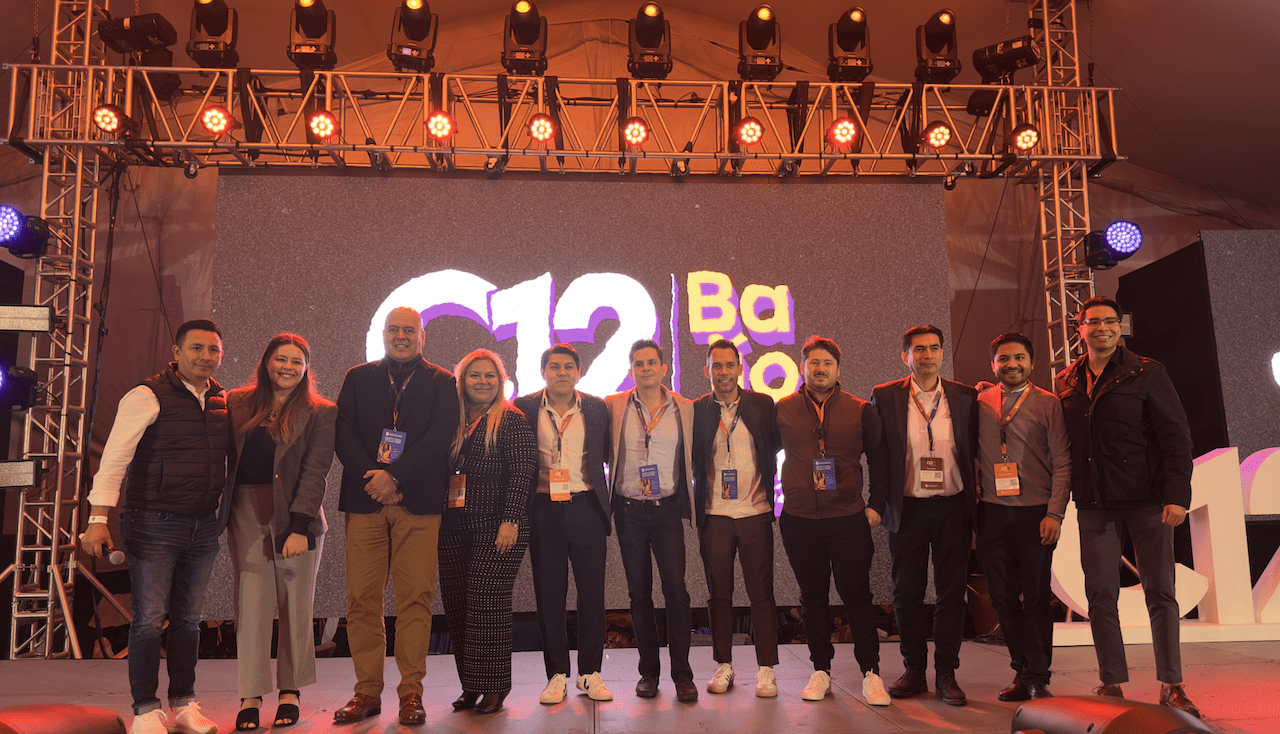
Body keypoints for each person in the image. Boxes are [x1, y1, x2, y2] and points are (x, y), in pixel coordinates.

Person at [80, 319, 230, 734]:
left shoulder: (221, 400)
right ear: (177, 352)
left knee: (188, 620)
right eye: (196, 348)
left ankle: (183, 706)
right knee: (148, 620)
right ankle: (145, 711)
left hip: (203, 525)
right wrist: (97, 520)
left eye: (213, 350)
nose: (205, 357)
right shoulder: (146, 395)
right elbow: (114, 459)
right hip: (153, 522)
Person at [1055, 297, 1199, 718]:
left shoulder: (1147, 371)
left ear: (1120, 327)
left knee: (1161, 592)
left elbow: (1177, 437)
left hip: (1148, 501)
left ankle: (1172, 684)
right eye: (1094, 322)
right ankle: (1111, 682)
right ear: (1080, 328)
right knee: (1100, 594)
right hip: (1095, 503)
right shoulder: (1065, 379)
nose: (1102, 327)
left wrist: (1178, 495)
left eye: (1110, 321)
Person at [333, 307, 459, 726]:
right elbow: (344, 433)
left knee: (415, 600)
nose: (401, 336)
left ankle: (411, 694)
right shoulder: (358, 377)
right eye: (394, 329)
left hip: (417, 503)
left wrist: (395, 476)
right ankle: (367, 692)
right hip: (365, 499)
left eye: (409, 330)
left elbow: (440, 436)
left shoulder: (442, 381)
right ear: (383, 334)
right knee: (361, 600)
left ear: (422, 336)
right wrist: (374, 479)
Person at [225, 334, 337, 730]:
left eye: (296, 361)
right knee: (251, 605)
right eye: (280, 359)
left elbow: (315, 471)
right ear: (266, 362)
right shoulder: (236, 402)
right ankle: (251, 695)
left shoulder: (321, 412)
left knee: (295, 606)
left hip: (296, 517)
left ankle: (290, 692)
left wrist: (299, 526)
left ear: (306, 368)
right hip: (244, 511)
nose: (288, 367)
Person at [777, 336, 892, 705]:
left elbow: (880, 460)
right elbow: (760, 456)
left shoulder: (861, 410)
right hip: (799, 520)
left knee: (857, 596)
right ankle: (821, 671)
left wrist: (876, 505)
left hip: (847, 519)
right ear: (803, 368)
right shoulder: (783, 409)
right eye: (814, 363)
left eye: (827, 363)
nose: (820, 369)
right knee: (812, 598)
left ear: (838, 369)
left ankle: (871, 672)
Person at [871, 325, 978, 706]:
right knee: (907, 594)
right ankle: (914, 670)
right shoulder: (885, 396)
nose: (927, 355)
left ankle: (946, 673)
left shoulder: (965, 396)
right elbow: (878, 457)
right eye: (919, 349)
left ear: (942, 353)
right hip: (908, 508)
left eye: (934, 348)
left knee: (951, 594)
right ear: (905, 356)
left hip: (953, 507)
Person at [512, 344, 615, 705]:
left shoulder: (596, 408)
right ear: (543, 372)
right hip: (543, 509)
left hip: (586, 505)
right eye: (554, 367)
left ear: (578, 372)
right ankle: (557, 675)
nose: (561, 373)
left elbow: (608, 454)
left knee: (592, 594)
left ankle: (590, 673)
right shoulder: (524, 407)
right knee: (549, 593)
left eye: (568, 367)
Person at [439, 349, 537, 715]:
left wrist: (511, 519)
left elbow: (523, 473)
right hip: (454, 526)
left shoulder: (512, 420)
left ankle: (495, 688)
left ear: (501, 381)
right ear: (462, 381)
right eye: (474, 375)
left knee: (487, 606)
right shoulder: (453, 421)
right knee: (458, 607)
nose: (483, 381)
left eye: (490, 375)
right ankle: (471, 685)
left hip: (499, 528)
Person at [974, 333, 1070, 701]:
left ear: (1031, 362)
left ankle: (1038, 677)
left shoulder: (1048, 403)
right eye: (1003, 359)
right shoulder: (980, 402)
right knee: (1002, 598)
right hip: (992, 513)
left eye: (1019, 358)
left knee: (1036, 598)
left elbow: (1063, 462)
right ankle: (1021, 671)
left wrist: (1055, 513)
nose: (1011, 364)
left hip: (1036, 513)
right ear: (993, 364)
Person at [606, 339, 698, 703]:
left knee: (676, 592)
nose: (645, 368)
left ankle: (683, 676)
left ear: (664, 368)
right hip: (629, 511)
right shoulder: (614, 406)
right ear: (631, 370)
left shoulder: (685, 408)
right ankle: (649, 673)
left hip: (667, 511)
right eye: (638, 364)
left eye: (651, 363)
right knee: (639, 594)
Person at [692, 340, 782, 698]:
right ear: (707, 370)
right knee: (719, 595)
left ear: (740, 368)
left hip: (755, 512)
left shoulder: (762, 404)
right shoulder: (698, 410)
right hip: (714, 515)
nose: (723, 372)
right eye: (717, 366)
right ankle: (724, 665)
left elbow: (773, 446)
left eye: (729, 365)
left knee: (762, 594)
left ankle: (766, 669)